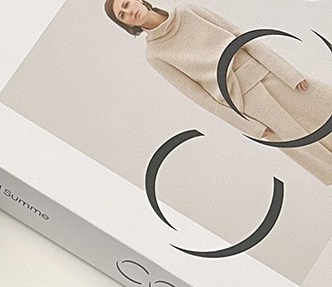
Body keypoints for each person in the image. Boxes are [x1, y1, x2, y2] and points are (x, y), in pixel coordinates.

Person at [104, 1, 332, 184]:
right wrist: (249, 127)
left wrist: (288, 72)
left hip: (266, 73)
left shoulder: (188, 11)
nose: (129, 11)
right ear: (126, 25)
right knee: (305, 146)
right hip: (247, 102)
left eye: (126, 4)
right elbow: (199, 96)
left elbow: (241, 36)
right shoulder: (155, 55)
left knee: (323, 108)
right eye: (122, 15)